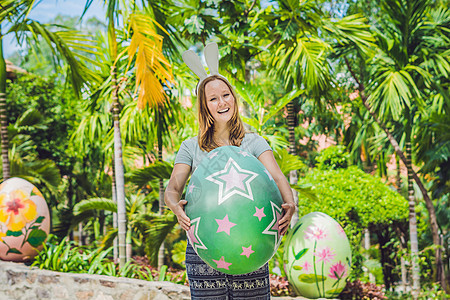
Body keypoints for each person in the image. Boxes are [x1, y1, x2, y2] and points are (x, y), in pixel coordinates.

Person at [164, 44, 295, 300]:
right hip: (204, 250)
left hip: (253, 246)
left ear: (233, 97)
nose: (222, 102)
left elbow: (278, 177)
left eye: (226, 95)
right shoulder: (191, 147)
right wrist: (175, 207)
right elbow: (172, 189)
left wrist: (289, 203)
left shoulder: (254, 142)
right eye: (213, 99)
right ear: (205, 107)